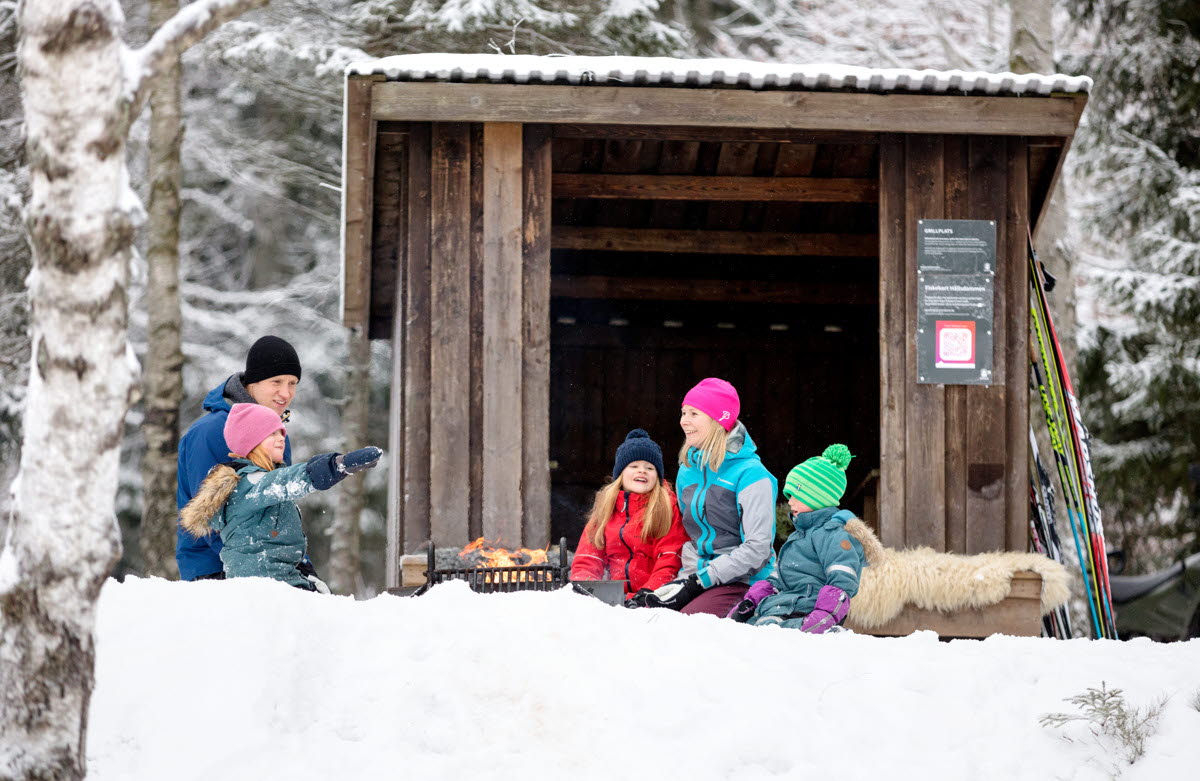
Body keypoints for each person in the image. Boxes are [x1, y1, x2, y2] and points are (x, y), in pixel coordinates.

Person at [179, 404, 382, 592]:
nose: (281, 438)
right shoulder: (249, 484)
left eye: (281, 432)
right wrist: (338, 465)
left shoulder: (259, 482)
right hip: (263, 589)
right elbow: (293, 478)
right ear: (251, 441)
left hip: (277, 582)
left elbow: (279, 548)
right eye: (271, 433)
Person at [636, 378, 778, 617]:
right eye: (683, 413)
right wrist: (672, 582)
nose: (683, 421)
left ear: (717, 420)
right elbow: (685, 535)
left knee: (686, 624)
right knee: (649, 614)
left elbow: (757, 549)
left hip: (743, 581)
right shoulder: (688, 469)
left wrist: (700, 581)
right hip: (696, 576)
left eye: (693, 413)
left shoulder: (751, 475)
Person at [176, 335, 301, 581]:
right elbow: (210, 515)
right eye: (276, 381)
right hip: (215, 572)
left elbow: (278, 513)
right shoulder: (210, 432)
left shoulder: (276, 436)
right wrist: (257, 566)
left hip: (267, 570)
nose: (285, 393)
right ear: (252, 383)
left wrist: (299, 564)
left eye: (293, 383)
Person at [729, 444, 866, 633]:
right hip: (783, 604)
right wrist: (752, 601)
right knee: (744, 632)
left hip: (805, 610)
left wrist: (824, 616)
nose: (790, 501)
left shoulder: (835, 535)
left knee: (771, 633)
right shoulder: (799, 535)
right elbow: (781, 577)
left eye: (797, 494)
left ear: (818, 497)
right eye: (789, 495)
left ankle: (831, 637)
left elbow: (842, 580)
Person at [570, 429, 688, 602]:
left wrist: (647, 594)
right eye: (634, 466)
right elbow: (588, 557)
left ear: (657, 476)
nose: (642, 471)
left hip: (651, 598)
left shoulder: (666, 509)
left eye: (649, 468)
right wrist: (588, 587)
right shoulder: (605, 509)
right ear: (621, 474)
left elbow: (669, 560)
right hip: (611, 598)